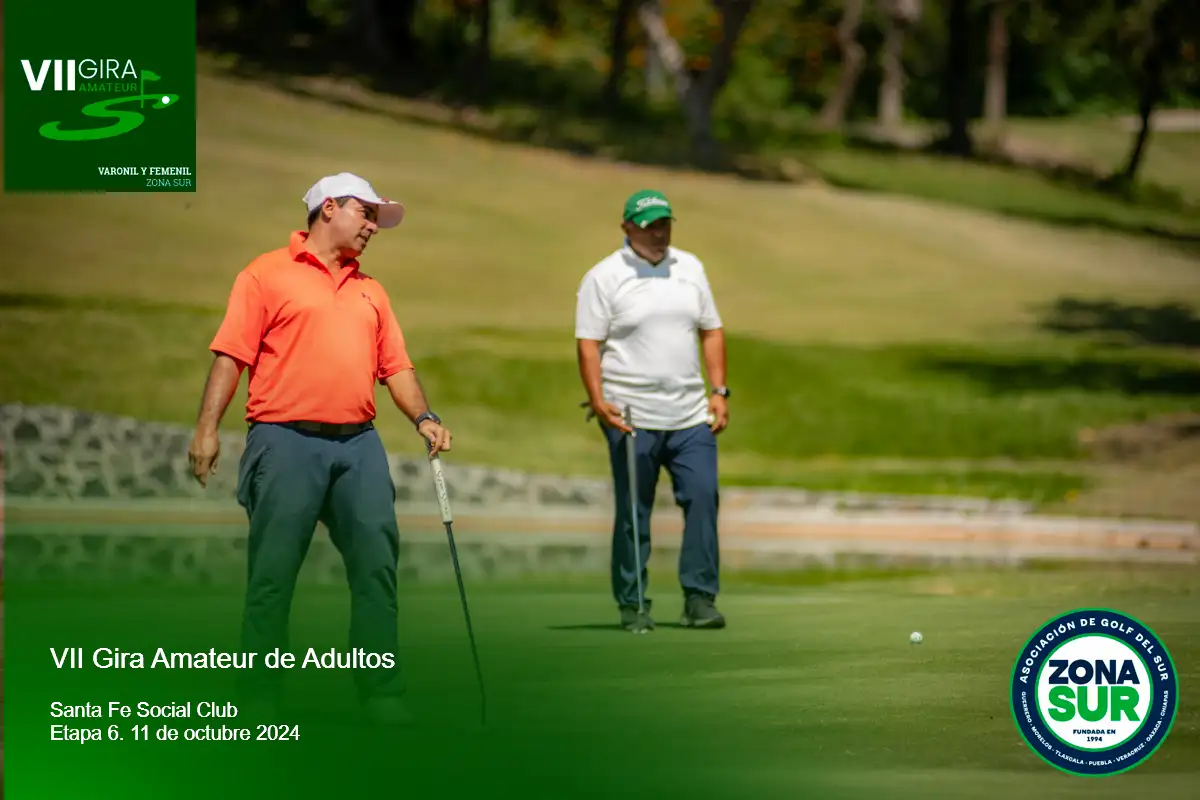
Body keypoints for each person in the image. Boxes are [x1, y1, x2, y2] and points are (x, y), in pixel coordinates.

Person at [186, 172, 452, 725]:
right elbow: (231, 355)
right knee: (273, 574)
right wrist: (207, 428)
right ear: (329, 208)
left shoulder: (371, 290)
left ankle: (381, 694)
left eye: (377, 219)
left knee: (377, 567)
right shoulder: (264, 274)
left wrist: (424, 417)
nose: (373, 227)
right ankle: (258, 695)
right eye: (366, 213)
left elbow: (397, 367)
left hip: (359, 445)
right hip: (283, 441)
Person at [574, 189, 730, 634]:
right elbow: (588, 344)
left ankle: (699, 599)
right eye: (649, 226)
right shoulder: (604, 276)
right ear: (627, 227)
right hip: (630, 415)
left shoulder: (690, 267)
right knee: (634, 510)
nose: (658, 233)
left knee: (703, 498)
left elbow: (711, 330)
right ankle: (633, 602)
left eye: (664, 224)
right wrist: (598, 399)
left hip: (690, 415)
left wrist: (719, 391)